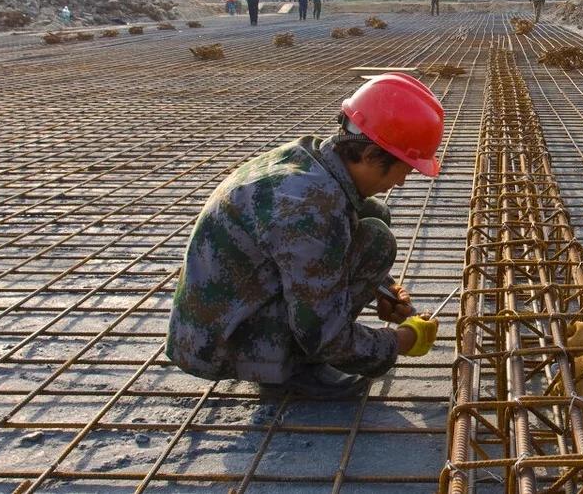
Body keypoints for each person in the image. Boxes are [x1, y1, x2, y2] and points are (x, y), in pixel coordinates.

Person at [166, 73, 445, 399]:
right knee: (376, 239)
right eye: (405, 170)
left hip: (227, 310)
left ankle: (289, 354)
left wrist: (383, 287)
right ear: (370, 156)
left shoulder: (311, 159)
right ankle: (292, 369)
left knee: (373, 217)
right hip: (218, 342)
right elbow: (325, 336)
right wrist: (400, 341)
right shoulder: (309, 210)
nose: (401, 183)